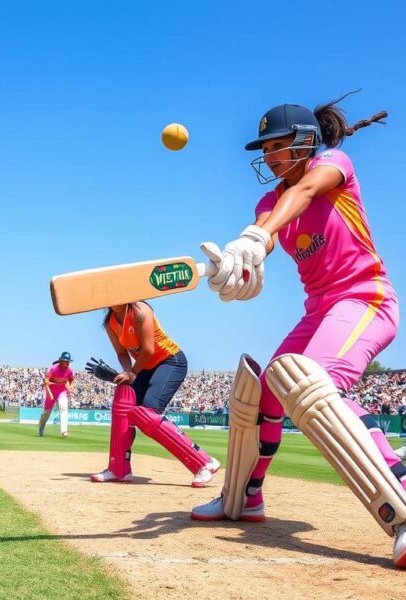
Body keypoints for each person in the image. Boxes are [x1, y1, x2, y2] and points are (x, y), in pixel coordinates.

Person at [191, 95, 406, 567]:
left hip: (364, 298)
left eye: (277, 145)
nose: (268, 156)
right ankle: (246, 497)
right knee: (265, 394)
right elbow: (266, 225)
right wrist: (239, 265)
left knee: (317, 385)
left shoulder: (333, 164)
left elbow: (304, 195)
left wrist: (257, 238)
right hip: (319, 310)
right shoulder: (268, 200)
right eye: (263, 148)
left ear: (307, 141)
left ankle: (402, 492)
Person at [90, 302, 219, 486]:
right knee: (123, 401)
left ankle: (203, 462)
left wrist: (132, 373)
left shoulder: (141, 311)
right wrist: (127, 374)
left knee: (147, 413)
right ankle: (118, 469)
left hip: (170, 361)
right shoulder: (110, 323)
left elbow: (149, 350)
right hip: (146, 367)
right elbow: (122, 353)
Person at [39, 351, 75, 437]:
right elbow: (47, 379)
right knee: (47, 412)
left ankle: (64, 431)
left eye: (68, 362)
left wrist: (71, 387)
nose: (67, 363)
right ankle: (41, 426)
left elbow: (71, 380)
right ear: (60, 361)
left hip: (62, 391)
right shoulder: (53, 368)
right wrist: (47, 382)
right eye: (65, 361)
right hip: (51, 391)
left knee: (63, 407)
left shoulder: (69, 370)